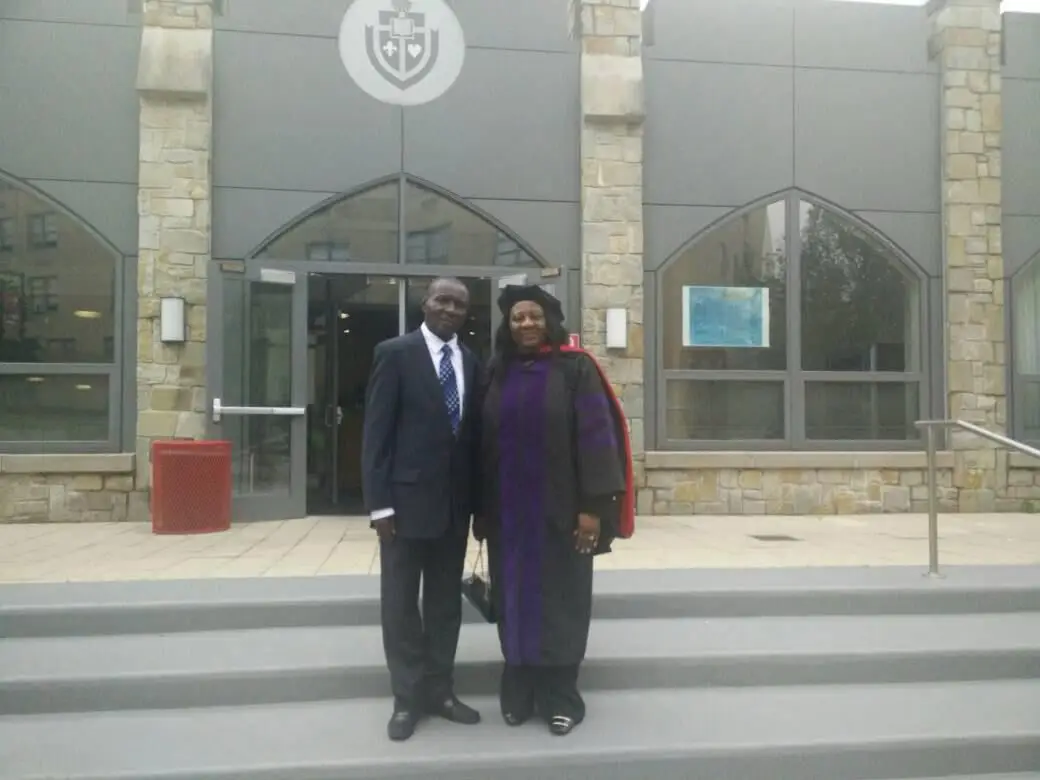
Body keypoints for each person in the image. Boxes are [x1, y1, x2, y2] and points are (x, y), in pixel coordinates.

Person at [474, 284, 634, 736]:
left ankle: (561, 696)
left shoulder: (574, 369)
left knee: (561, 603)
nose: (526, 323)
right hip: (509, 518)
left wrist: (592, 509)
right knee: (513, 603)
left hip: (562, 516)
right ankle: (519, 690)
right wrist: (481, 510)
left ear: (550, 321)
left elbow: (597, 438)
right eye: (517, 317)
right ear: (507, 325)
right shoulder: (497, 370)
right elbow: (481, 445)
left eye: (534, 315)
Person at [362, 277, 482, 742]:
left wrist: (480, 506)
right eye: (442, 300)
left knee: (445, 605)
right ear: (425, 303)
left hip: (454, 509)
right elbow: (376, 436)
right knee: (400, 605)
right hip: (404, 507)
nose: (450, 309)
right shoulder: (395, 354)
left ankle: (440, 691)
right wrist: (380, 506)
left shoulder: (471, 360)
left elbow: (471, 441)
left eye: (459, 304)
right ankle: (406, 699)